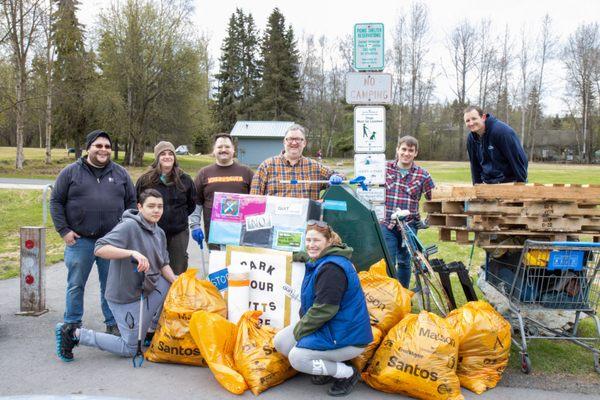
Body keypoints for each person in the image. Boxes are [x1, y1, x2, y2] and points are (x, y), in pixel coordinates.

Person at [55, 189, 177, 362]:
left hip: (147, 290)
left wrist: (177, 281)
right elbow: (99, 248)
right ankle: (74, 334)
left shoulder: (159, 232)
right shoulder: (129, 226)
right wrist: (131, 253)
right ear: (140, 207)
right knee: (130, 348)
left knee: (171, 283)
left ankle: (151, 329)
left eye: (160, 206)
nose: (156, 210)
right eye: (151, 206)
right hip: (125, 296)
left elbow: (164, 263)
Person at [50, 130, 136, 337]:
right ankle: (72, 324)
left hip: (111, 243)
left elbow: (131, 204)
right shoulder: (70, 172)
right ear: (88, 148)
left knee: (111, 285)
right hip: (80, 241)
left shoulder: (121, 174)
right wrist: (64, 230)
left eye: (107, 146)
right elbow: (56, 202)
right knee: (76, 284)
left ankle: (112, 323)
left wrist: (124, 231)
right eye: (98, 146)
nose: (103, 150)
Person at [274, 220, 372, 397]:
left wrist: (300, 331)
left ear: (328, 242)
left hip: (346, 335)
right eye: (308, 240)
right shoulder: (324, 260)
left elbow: (324, 311)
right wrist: (298, 256)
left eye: (316, 241)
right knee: (281, 342)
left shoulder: (332, 269)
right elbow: (309, 258)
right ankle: (327, 367)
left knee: (297, 357)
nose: (311, 245)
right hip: (331, 328)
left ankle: (347, 373)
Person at [381, 136, 434, 289]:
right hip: (387, 224)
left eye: (411, 150)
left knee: (404, 261)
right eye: (403, 149)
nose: (406, 153)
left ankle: (403, 294)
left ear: (415, 153)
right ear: (397, 150)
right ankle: (390, 295)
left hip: (409, 226)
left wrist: (427, 221)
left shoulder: (422, 175)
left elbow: (435, 200)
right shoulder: (384, 168)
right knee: (388, 261)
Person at [135, 141, 196, 274]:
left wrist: (178, 217)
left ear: (175, 157)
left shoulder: (185, 179)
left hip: (178, 232)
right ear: (157, 158)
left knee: (177, 269)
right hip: (151, 231)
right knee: (151, 268)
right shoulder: (145, 180)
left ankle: (176, 294)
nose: (167, 157)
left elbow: (191, 205)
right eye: (163, 154)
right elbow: (136, 204)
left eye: (170, 154)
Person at [190, 133, 254, 250]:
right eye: (219, 147)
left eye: (227, 147)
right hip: (215, 236)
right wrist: (195, 226)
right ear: (214, 150)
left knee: (241, 268)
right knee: (218, 268)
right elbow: (196, 203)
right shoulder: (204, 173)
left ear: (233, 150)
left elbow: (257, 202)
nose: (223, 150)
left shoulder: (246, 172)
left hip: (242, 237)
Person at [250, 124, 343, 201]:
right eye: (290, 139)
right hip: (275, 222)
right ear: (284, 142)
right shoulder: (266, 166)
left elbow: (340, 178)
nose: (294, 143)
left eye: (298, 139)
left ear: (304, 143)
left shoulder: (315, 167)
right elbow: (252, 200)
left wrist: (337, 177)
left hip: (307, 222)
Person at [464, 105, 528, 184]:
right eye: (467, 121)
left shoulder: (502, 132)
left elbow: (518, 159)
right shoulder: (471, 138)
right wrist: (477, 186)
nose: (471, 123)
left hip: (509, 182)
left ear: (483, 117)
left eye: (474, 118)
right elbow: (475, 166)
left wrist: (521, 184)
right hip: (488, 183)